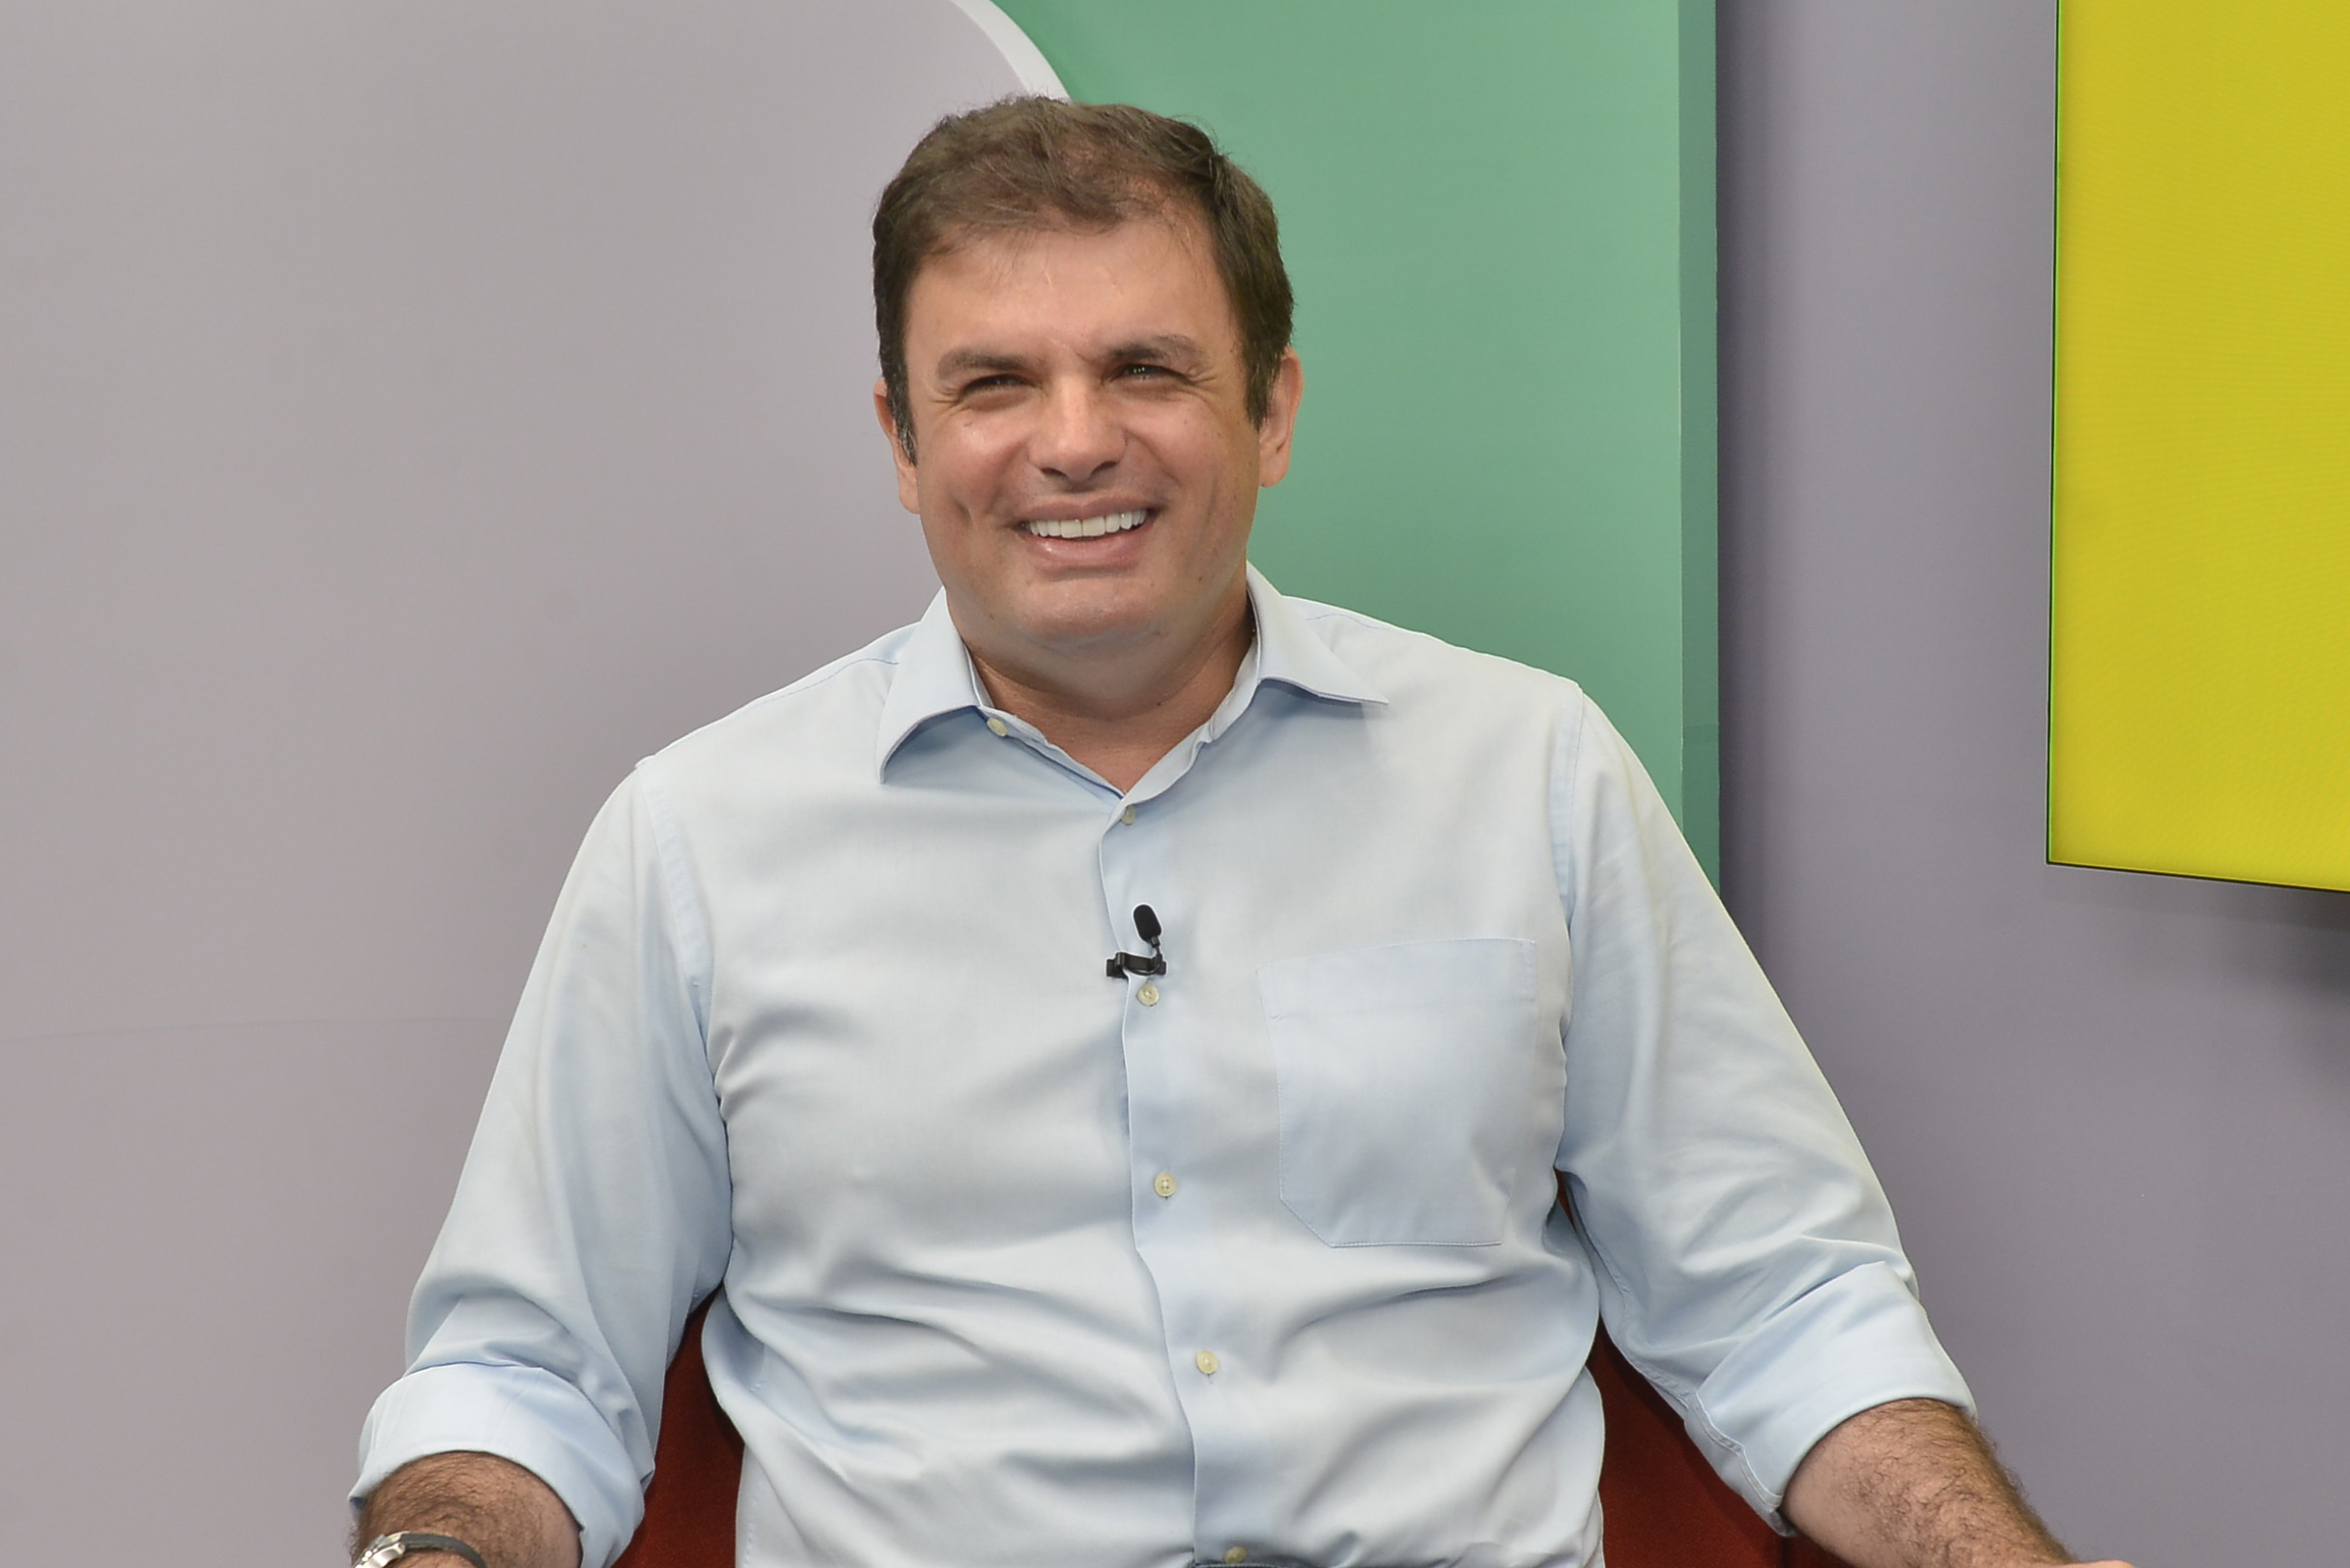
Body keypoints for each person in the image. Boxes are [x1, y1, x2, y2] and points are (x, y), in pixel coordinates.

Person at [352, 99, 2135, 1568]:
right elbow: (530, 1375)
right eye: (993, 385)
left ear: (1270, 410)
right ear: (902, 440)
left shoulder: (1528, 773)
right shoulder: (698, 841)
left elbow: (1786, 1303)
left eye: (1146, 369)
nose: (1074, 444)